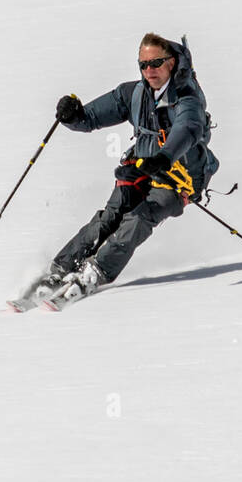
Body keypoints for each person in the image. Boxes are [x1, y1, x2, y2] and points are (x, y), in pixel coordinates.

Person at [22, 32, 220, 307]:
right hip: (143, 165)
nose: (149, 70)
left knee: (139, 217)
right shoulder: (133, 94)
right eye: (143, 64)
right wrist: (73, 115)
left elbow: (187, 129)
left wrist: (165, 156)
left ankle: (96, 272)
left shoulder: (188, 98)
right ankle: (59, 270)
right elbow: (91, 118)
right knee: (110, 216)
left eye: (156, 63)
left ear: (172, 63)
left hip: (180, 175)